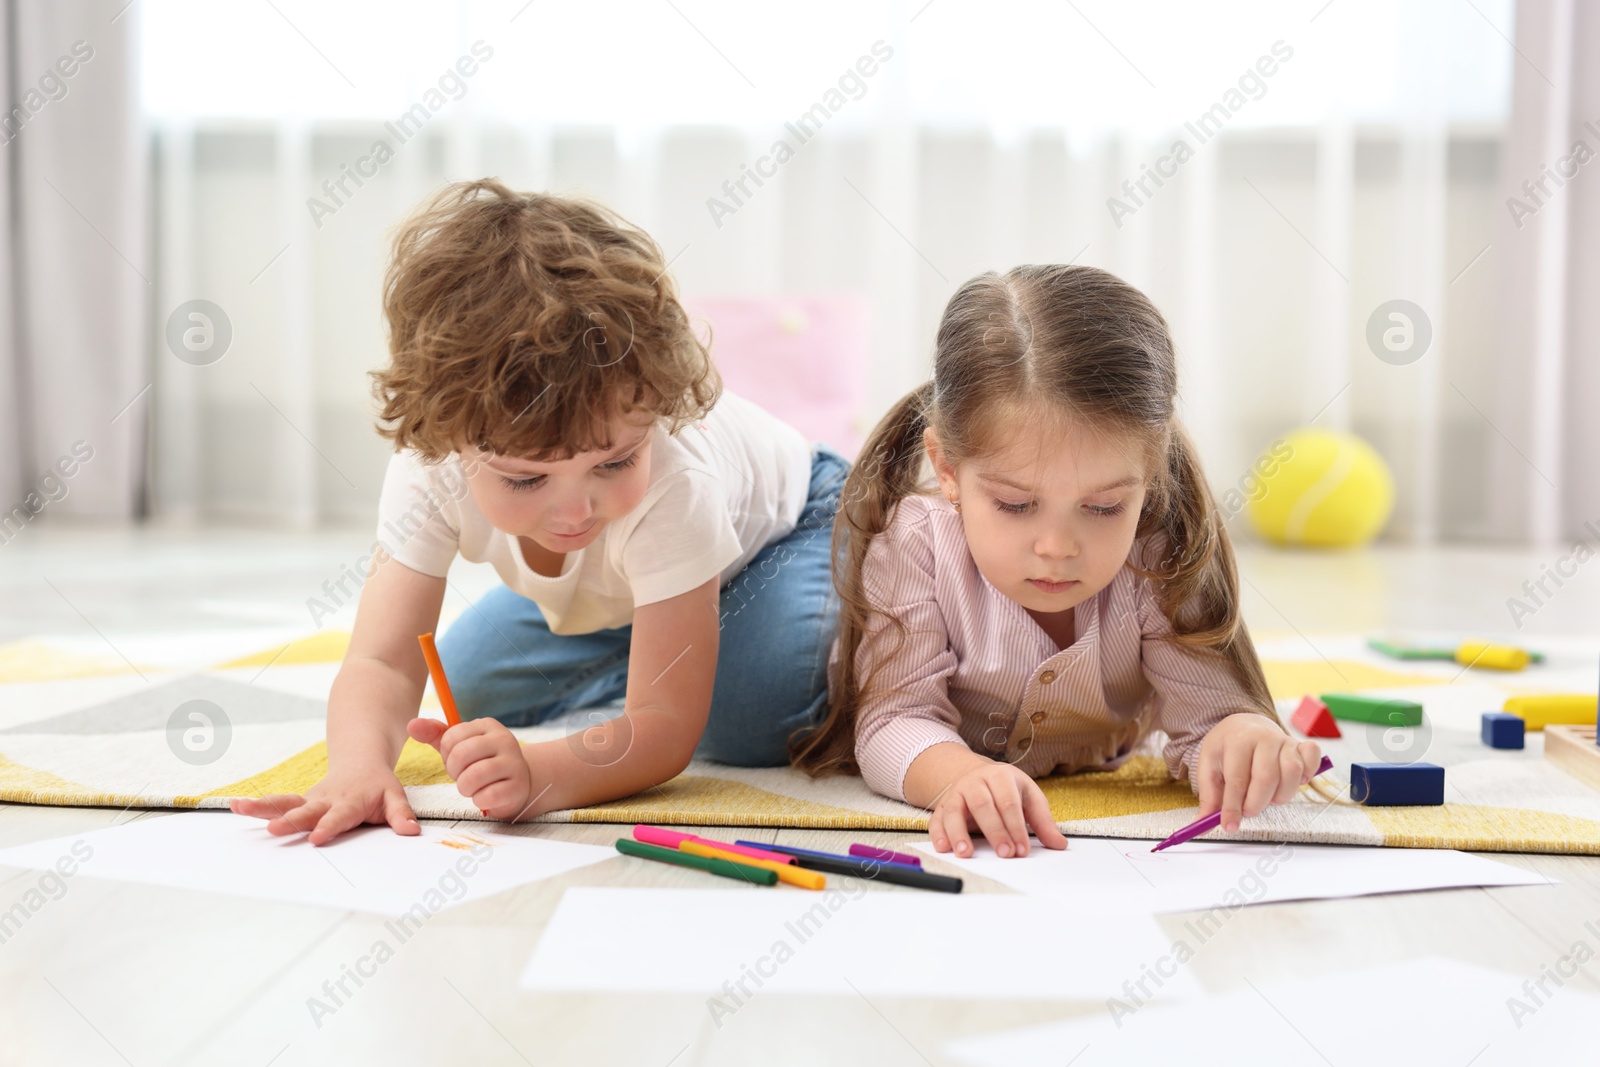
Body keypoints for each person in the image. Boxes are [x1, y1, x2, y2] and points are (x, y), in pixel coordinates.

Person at [792, 264, 1321, 859]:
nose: (1056, 547)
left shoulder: (1158, 546)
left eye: (1102, 507)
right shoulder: (914, 541)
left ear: (1149, 480)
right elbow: (892, 721)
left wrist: (1241, 740)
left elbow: (1208, 726)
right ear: (946, 468)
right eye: (1016, 504)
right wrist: (956, 775)